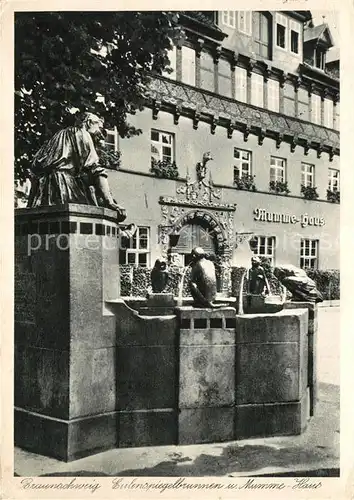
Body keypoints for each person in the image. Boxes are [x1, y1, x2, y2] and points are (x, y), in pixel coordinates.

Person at [27, 112, 126, 221]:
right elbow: (95, 169)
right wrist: (110, 202)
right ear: (88, 123)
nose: (100, 133)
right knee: (86, 219)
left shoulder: (58, 135)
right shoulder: (82, 133)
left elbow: (35, 165)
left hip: (42, 190)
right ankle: (122, 235)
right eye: (99, 127)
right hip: (64, 186)